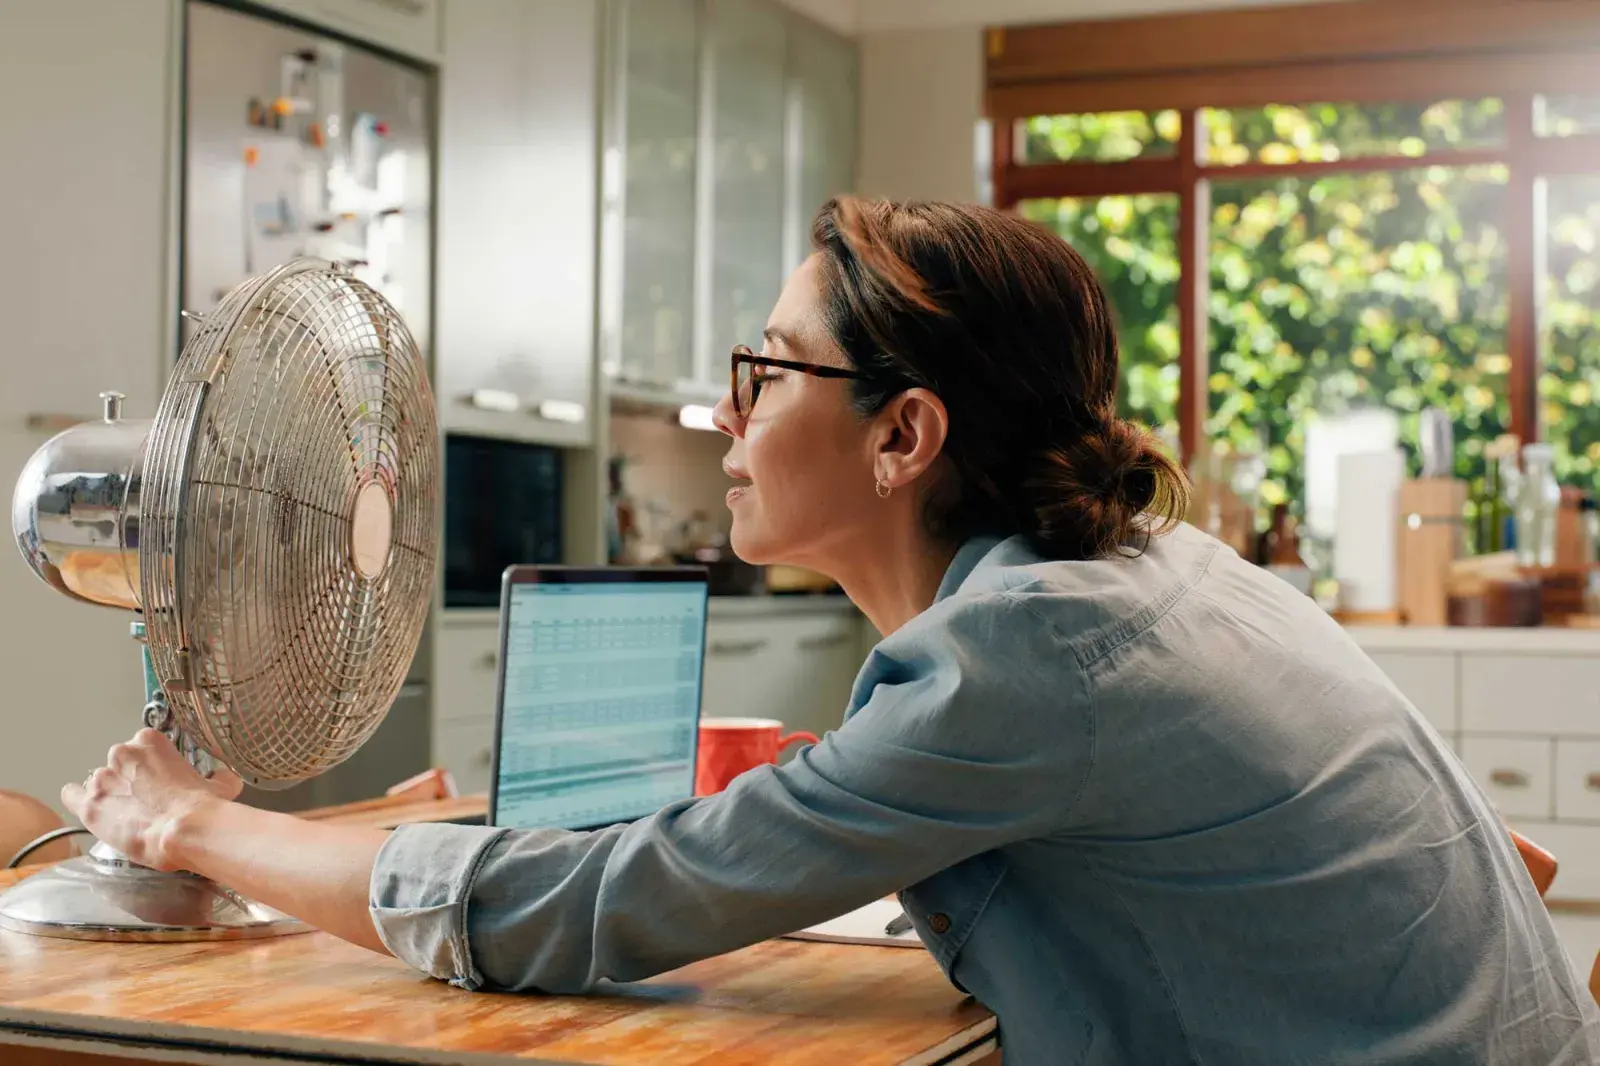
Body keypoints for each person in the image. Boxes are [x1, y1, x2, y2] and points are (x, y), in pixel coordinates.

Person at [64, 199, 1599, 1064]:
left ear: (903, 435)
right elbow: (1497, 860)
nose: (730, 412)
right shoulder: (1161, 575)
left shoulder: (1024, 657)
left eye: (772, 369)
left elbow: (582, 908)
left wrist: (195, 822)